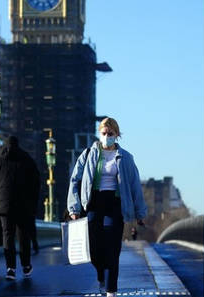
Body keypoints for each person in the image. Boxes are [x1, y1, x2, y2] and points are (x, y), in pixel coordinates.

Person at [68, 117, 147, 297]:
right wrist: (74, 208)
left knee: (113, 247)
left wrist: (140, 213)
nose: (106, 137)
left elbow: (135, 185)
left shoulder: (126, 158)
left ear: (117, 135)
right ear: (99, 134)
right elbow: (75, 180)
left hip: (115, 203)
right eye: (103, 133)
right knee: (94, 246)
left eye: (110, 134)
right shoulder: (88, 154)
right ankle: (100, 270)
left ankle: (111, 290)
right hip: (94, 202)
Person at [0, 136, 40, 280]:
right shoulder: (27, 159)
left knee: (7, 236)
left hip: (4, 206)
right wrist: (33, 203)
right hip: (24, 206)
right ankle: (26, 265)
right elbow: (36, 183)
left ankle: (10, 269)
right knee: (23, 236)